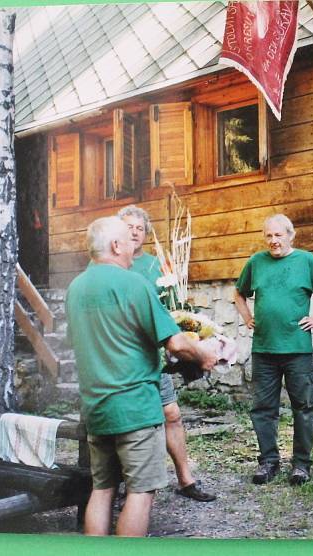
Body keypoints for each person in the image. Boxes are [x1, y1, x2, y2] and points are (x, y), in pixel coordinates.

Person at [66, 216, 216, 536]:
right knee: (141, 492)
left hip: (96, 407)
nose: (134, 248)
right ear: (115, 245)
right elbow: (175, 342)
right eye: (128, 242)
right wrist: (205, 355)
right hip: (135, 407)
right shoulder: (133, 283)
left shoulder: (75, 288)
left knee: (103, 489)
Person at [118, 204, 216, 502]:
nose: (135, 233)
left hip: (156, 353)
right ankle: (123, 483)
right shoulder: (111, 263)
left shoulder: (156, 264)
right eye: (129, 227)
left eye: (140, 228)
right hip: (125, 354)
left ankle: (186, 480)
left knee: (171, 413)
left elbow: (173, 306)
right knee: (128, 420)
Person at [234, 214, 313, 486]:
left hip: (297, 350)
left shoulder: (305, 261)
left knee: (303, 407)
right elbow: (239, 293)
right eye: (269, 236)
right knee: (262, 408)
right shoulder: (256, 262)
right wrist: (247, 317)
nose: (273, 241)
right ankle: (268, 462)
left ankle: (301, 465)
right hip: (264, 349)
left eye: (278, 235)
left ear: (290, 236)